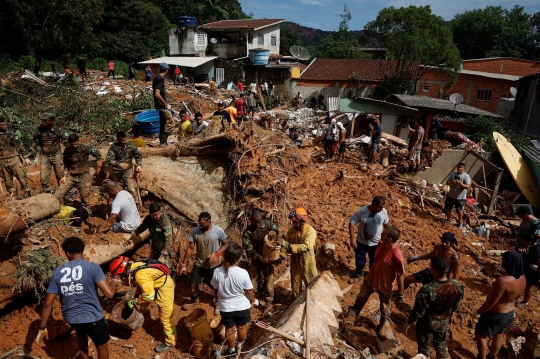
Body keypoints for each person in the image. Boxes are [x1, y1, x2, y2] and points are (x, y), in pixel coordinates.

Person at [36, 237, 116, 359]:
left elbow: (47, 303)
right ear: (82, 250)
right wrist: (114, 282)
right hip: (93, 317)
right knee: (102, 346)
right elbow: (109, 294)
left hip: (72, 318)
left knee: (81, 334)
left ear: (68, 253)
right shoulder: (92, 267)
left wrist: (42, 327)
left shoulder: (58, 271)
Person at [109, 255, 176, 353]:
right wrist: (136, 298)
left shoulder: (140, 276)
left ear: (124, 271)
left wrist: (135, 301)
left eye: (121, 275)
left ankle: (170, 342)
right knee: (141, 300)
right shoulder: (134, 266)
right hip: (154, 283)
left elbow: (149, 296)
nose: (122, 278)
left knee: (165, 317)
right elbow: (141, 287)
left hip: (164, 287)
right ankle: (138, 316)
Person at [348, 227, 405, 339]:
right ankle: (352, 315)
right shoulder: (380, 244)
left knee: (384, 308)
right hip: (372, 279)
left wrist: (401, 294)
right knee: (361, 297)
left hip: (385, 286)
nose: (380, 234)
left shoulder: (397, 256)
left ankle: (381, 328)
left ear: (390, 239)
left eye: (383, 234)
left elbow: (400, 275)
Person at [404, 257, 464, 359]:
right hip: (444, 321)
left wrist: (409, 322)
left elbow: (419, 311)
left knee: (424, 347)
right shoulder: (457, 285)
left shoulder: (428, 289)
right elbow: (456, 306)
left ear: (433, 270)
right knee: (440, 344)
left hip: (427, 323)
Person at [475, 251, 526, 359]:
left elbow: (490, 302)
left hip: (495, 315)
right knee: (499, 334)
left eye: (503, 259)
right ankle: (492, 356)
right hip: (509, 314)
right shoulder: (522, 278)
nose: (501, 260)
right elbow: (517, 297)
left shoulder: (502, 281)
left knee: (480, 335)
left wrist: (478, 312)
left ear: (509, 262)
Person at [211, 244, 257, 356]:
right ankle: (240, 344)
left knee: (229, 329)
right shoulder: (243, 273)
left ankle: (231, 350)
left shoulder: (217, 272)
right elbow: (249, 291)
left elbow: (215, 289)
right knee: (241, 327)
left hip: (226, 308)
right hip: (242, 307)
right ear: (238, 258)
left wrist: (217, 299)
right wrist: (253, 300)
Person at [180, 212, 229, 311]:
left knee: (217, 285)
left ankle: (218, 303)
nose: (200, 226)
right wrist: (183, 263)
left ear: (209, 222)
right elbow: (190, 248)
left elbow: (226, 244)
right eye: (199, 224)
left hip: (214, 265)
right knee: (193, 283)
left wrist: (217, 254)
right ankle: (194, 301)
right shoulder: (195, 231)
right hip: (199, 264)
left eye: (202, 225)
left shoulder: (218, 231)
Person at [402, 232, 460, 302]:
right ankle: (400, 294)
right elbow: (430, 255)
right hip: (430, 272)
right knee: (407, 280)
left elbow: (456, 276)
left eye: (446, 242)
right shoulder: (437, 248)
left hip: (440, 280)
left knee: (427, 298)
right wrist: (416, 257)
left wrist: (450, 288)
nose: (443, 244)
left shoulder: (454, 257)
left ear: (452, 243)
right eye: (442, 241)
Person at [242, 209, 279, 307]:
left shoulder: (267, 224)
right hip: (256, 259)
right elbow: (249, 250)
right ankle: (254, 301)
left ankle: (268, 302)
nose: (258, 225)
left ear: (262, 219)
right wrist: (259, 257)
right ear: (251, 220)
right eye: (255, 222)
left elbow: (275, 228)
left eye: (259, 222)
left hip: (268, 259)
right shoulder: (247, 233)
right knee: (252, 284)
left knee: (269, 282)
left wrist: (273, 231)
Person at [348, 196, 390, 283]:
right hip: (362, 242)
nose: (381, 209)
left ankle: (372, 275)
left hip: (376, 243)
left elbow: (386, 225)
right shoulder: (362, 211)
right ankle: (359, 274)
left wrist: (387, 239)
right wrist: (352, 239)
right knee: (360, 260)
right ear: (374, 205)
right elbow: (352, 223)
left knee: (374, 261)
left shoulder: (383, 212)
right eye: (380, 207)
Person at [278, 208, 318, 298]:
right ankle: (296, 302)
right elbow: (285, 243)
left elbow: (307, 246)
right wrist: (281, 255)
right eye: (293, 222)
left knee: (311, 282)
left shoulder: (310, 231)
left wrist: (290, 246)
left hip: (307, 261)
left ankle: (313, 302)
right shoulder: (291, 230)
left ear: (302, 221)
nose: (294, 224)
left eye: (296, 222)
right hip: (295, 261)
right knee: (295, 284)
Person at [56, 134, 102, 211]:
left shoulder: (85, 147)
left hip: (84, 177)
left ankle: (87, 216)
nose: (74, 146)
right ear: (69, 143)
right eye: (72, 144)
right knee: (58, 194)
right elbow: (66, 164)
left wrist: (98, 166)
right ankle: (57, 210)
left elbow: (97, 154)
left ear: (78, 141)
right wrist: (64, 176)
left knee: (85, 200)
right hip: (72, 176)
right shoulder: (67, 150)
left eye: (76, 144)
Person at [33, 112, 68, 194]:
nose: (44, 122)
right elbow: (37, 143)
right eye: (43, 120)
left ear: (51, 121)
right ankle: (48, 194)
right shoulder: (40, 129)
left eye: (46, 120)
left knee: (60, 176)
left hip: (57, 155)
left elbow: (66, 142)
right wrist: (37, 157)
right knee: (43, 179)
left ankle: (63, 194)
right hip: (45, 156)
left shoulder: (57, 130)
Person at [106, 131, 142, 206]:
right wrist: (119, 164)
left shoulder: (131, 146)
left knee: (132, 190)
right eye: (123, 140)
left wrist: (139, 165)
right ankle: (121, 210)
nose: (125, 142)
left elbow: (138, 155)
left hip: (128, 172)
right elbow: (109, 160)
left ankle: (136, 208)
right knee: (118, 192)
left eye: (126, 140)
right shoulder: (114, 147)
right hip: (117, 173)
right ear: (118, 140)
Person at [0, 116, 32, 198]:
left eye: (5, 124)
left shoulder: (11, 134)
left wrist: (25, 157)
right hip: (2, 161)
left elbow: (19, 146)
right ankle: (12, 195)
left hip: (14, 159)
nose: (5, 126)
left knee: (22, 177)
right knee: (8, 181)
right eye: (2, 125)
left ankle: (27, 192)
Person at [134, 202, 173, 268]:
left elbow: (168, 241)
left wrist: (163, 254)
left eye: (159, 213)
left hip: (164, 251)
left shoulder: (165, 222)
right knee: (150, 267)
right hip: (154, 250)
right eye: (155, 215)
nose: (158, 216)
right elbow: (142, 228)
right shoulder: (148, 219)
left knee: (166, 270)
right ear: (150, 213)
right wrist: (133, 235)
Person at [442, 162, 471, 229]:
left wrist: (460, 184)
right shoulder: (453, 174)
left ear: (464, 169)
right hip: (450, 195)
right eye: (458, 167)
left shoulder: (466, 176)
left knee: (459, 211)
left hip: (460, 198)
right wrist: (452, 182)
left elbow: (468, 187)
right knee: (448, 208)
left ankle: (460, 222)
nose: (459, 168)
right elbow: (447, 183)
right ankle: (448, 219)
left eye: (461, 167)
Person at [152, 63, 174, 146]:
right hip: (162, 106)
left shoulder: (157, 78)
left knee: (163, 123)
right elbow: (157, 94)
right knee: (171, 124)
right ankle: (164, 141)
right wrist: (165, 104)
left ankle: (162, 142)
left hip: (159, 106)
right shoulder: (160, 78)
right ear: (167, 70)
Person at [520, 228, 540, 306]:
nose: (523, 243)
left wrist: (536, 268)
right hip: (528, 270)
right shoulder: (535, 244)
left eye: (524, 241)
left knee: (528, 288)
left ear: (529, 242)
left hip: (533, 273)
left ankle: (525, 302)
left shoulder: (536, 251)